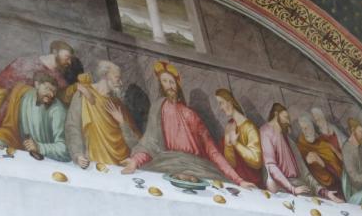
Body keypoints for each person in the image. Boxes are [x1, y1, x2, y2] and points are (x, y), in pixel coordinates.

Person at [120, 60, 255, 188]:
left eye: (172, 82)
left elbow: (212, 150)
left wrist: (239, 180)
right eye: (165, 81)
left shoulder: (190, 115)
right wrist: (135, 161)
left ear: (177, 85)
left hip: (197, 168)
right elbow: (150, 143)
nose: (169, 86)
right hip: (168, 164)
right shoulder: (158, 108)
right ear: (161, 84)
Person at [0, 40, 80, 129]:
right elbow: (1, 86)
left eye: (71, 59)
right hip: (13, 122)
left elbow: (62, 99)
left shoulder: (60, 79)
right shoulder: (26, 64)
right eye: (67, 57)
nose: (69, 62)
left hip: (39, 129)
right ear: (55, 52)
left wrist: (77, 88)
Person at [260, 103, 342, 202]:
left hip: (300, 188)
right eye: (285, 117)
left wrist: (325, 192)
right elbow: (271, 165)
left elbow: (306, 174)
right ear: (276, 114)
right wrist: (292, 189)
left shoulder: (290, 143)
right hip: (282, 190)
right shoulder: (265, 131)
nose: (288, 121)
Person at [65, 60, 140, 168]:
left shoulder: (118, 104)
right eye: (117, 78)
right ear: (105, 75)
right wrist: (77, 154)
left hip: (121, 165)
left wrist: (122, 122)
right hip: (95, 164)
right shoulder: (83, 95)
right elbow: (73, 127)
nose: (121, 83)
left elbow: (136, 142)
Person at [0, 72, 70, 162]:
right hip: (23, 158)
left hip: (49, 162)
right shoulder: (22, 95)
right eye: (47, 89)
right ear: (37, 85)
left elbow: (65, 150)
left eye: (54, 91)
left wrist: (39, 147)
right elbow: (10, 131)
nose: (51, 94)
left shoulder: (58, 111)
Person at [215, 88, 263, 187]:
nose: (220, 108)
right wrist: (228, 145)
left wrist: (236, 144)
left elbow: (257, 161)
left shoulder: (249, 128)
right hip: (236, 181)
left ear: (230, 102)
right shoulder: (230, 125)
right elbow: (231, 164)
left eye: (221, 103)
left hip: (252, 183)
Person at [296, 114, 343, 193]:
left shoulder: (324, 142)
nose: (305, 131)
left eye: (307, 128)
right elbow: (303, 169)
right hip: (321, 188)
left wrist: (323, 163)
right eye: (302, 129)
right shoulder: (301, 146)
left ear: (312, 127)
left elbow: (340, 163)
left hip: (337, 182)